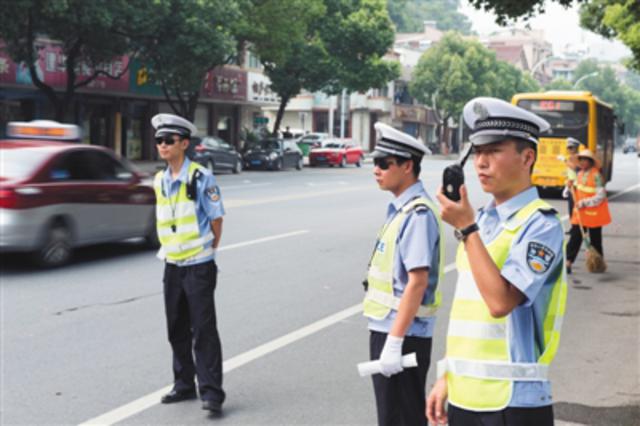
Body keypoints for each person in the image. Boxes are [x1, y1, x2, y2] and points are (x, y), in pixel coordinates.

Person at [427, 97, 567, 426]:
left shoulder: (541, 224)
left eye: (493, 151)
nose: (481, 163)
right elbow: (468, 312)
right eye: (477, 152)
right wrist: (447, 375)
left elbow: (500, 302)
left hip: (512, 401)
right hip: (465, 395)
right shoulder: (483, 222)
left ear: (527, 157)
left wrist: (466, 227)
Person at [364, 122, 444, 426]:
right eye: (375, 162)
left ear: (408, 166)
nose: (376, 169)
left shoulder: (417, 215)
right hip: (394, 329)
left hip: (403, 334)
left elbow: (417, 281)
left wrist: (394, 342)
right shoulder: (402, 209)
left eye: (384, 163)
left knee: (401, 418)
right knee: (395, 416)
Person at [151, 113, 226, 413]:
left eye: (169, 140)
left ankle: (212, 393)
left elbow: (217, 219)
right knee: (176, 328)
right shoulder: (159, 179)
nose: (163, 145)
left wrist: (206, 251)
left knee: (203, 331)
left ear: (184, 143)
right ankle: (184, 384)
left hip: (198, 264)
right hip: (172, 264)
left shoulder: (201, 177)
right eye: (159, 140)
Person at [565, 148, 611, 274]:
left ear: (591, 162)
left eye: (586, 160)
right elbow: (576, 189)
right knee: (575, 238)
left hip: (594, 214)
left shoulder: (596, 176)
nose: (583, 162)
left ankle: (597, 263)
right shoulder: (579, 174)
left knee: (595, 239)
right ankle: (568, 262)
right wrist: (569, 186)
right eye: (581, 160)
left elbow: (600, 196)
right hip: (580, 214)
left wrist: (585, 203)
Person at [562, 137, 581, 219]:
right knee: (571, 207)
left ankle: (576, 227)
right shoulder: (571, 157)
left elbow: (575, 168)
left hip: (576, 186)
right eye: (568, 148)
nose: (569, 150)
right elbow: (571, 173)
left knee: (574, 207)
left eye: (571, 148)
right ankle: (574, 226)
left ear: (576, 148)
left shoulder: (577, 157)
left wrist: (565, 161)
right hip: (571, 185)